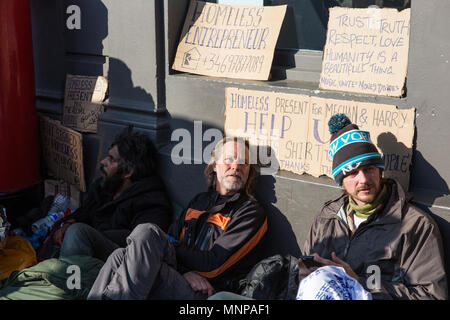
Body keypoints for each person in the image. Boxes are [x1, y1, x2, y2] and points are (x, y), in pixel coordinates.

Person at [87, 136, 268, 300]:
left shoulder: (250, 212)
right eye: (229, 159)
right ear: (215, 165)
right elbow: (171, 238)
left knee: (147, 232)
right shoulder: (200, 201)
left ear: (249, 171)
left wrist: (169, 248)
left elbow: (213, 266)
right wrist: (185, 271)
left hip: (207, 291)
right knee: (120, 255)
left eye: (243, 163)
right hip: (181, 277)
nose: (236, 167)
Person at [297, 113, 448, 300]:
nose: (364, 180)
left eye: (369, 169)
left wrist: (358, 285)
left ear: (380, 171)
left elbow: (431, 296)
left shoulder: (415, 226)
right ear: (341, 181)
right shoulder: (327, 218)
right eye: (352, 173)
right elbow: (306, 270)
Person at [51, 127, 172, 261]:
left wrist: (89, 235)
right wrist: (68, 223)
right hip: (88, 255)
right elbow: (84, 213)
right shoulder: (105, 187)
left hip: (117, 264)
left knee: (76, 233)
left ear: (128, 172)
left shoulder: (152, 203)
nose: (103, 162)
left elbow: (141, 244)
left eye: (112, 159)